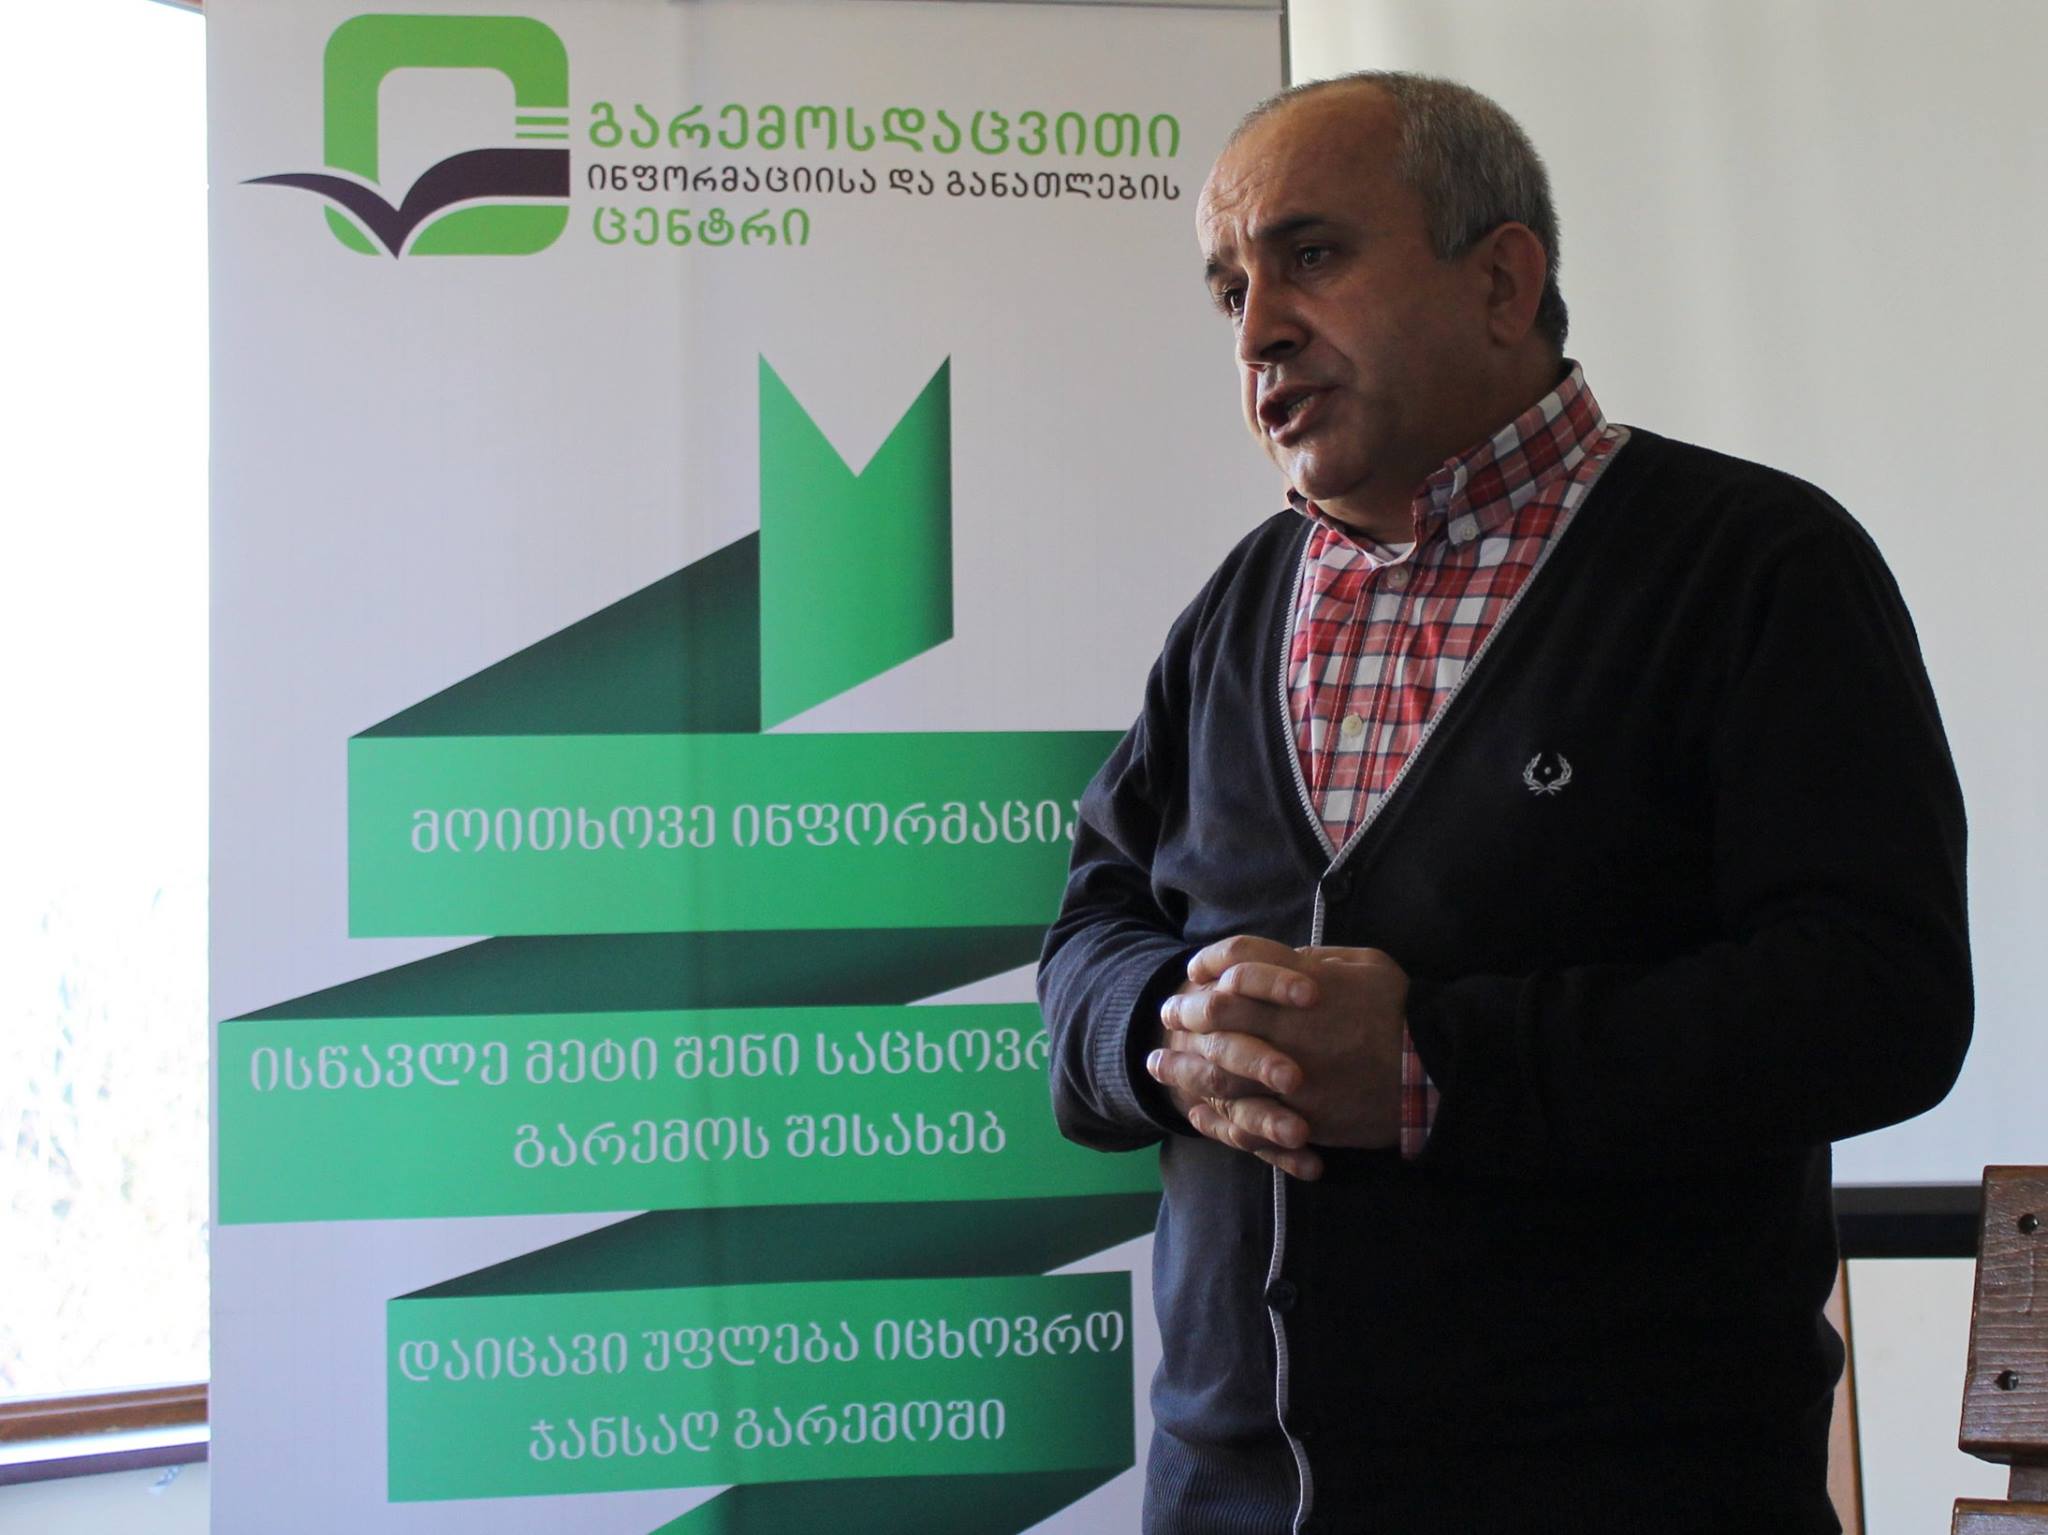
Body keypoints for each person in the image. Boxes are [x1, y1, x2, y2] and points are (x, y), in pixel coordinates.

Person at [1037, 71, 1971, 1535]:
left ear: (1502, 280)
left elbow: (1880, 1001)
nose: (1260, 327)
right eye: (1230, 290)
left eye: (1312, 254)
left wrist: (1434, 1067)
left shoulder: (1754, 566)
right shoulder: (1238, 605)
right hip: (1224, 1504)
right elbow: (1090, 932)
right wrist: (1167, 1034)